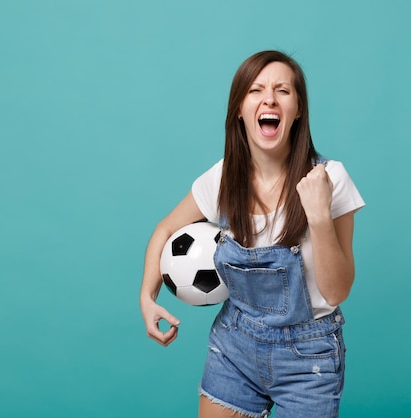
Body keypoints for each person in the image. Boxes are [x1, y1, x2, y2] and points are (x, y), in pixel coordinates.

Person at [140, 50, 365, 418]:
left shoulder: (329, 178)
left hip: (309, 359)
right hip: (235, 345)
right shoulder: (224, 178)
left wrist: (319, 217)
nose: (269, 98)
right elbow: (165, 228)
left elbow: (338, 290)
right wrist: (147, 297)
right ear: (240, 111)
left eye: (283, 91)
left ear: (298, 111)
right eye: (256, 90)